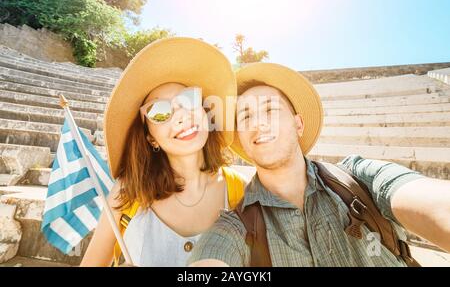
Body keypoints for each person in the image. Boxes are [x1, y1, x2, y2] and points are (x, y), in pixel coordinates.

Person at [188, 62, 450, 267]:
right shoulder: (234, 227)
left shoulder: (360, 178)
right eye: (245, 116)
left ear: (298, 124)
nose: (258, 123)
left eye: (270, 110)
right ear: (242, 141)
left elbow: (429, 200)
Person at [80, 38, 246, 267]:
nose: (180, 115)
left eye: (189, 99)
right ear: (150, 137)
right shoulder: (128, 192)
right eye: (159, 111)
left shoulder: (240, 191)